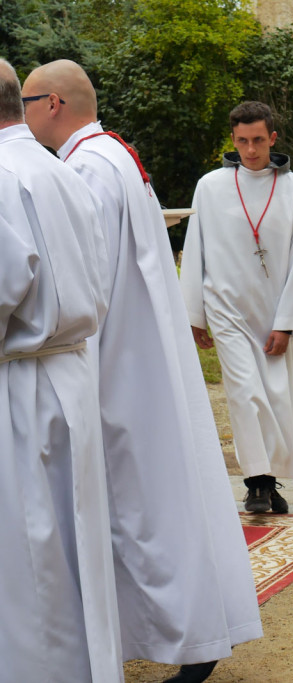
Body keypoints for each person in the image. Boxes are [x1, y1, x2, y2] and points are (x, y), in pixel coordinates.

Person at [23, 59, 263, 683]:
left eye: (24, 102)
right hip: (137, 354)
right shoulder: (109, 157)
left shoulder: (85, 168)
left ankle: (189, 639)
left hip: (115, 361)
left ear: (52, 104)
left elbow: (85, 279)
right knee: (153, 500)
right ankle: (184, 635)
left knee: (140, 508)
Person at [0, 57, 122, 682]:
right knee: (75, 548)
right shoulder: (60, 170)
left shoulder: (3, 173)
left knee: (30, 558)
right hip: (67, 372)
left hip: (18, 380)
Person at [180, 101, 293, 511]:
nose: (251, 150)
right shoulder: (210, 186)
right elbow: (196, 250)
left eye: (258, 140)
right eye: (242, 141)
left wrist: (288, 322)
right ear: (233, 140)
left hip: (275, 308)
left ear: (273, 138)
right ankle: (256, 483)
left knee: (278, 398)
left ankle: (271, 480)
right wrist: (195, 316)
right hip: (226, 309)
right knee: (244, 395)